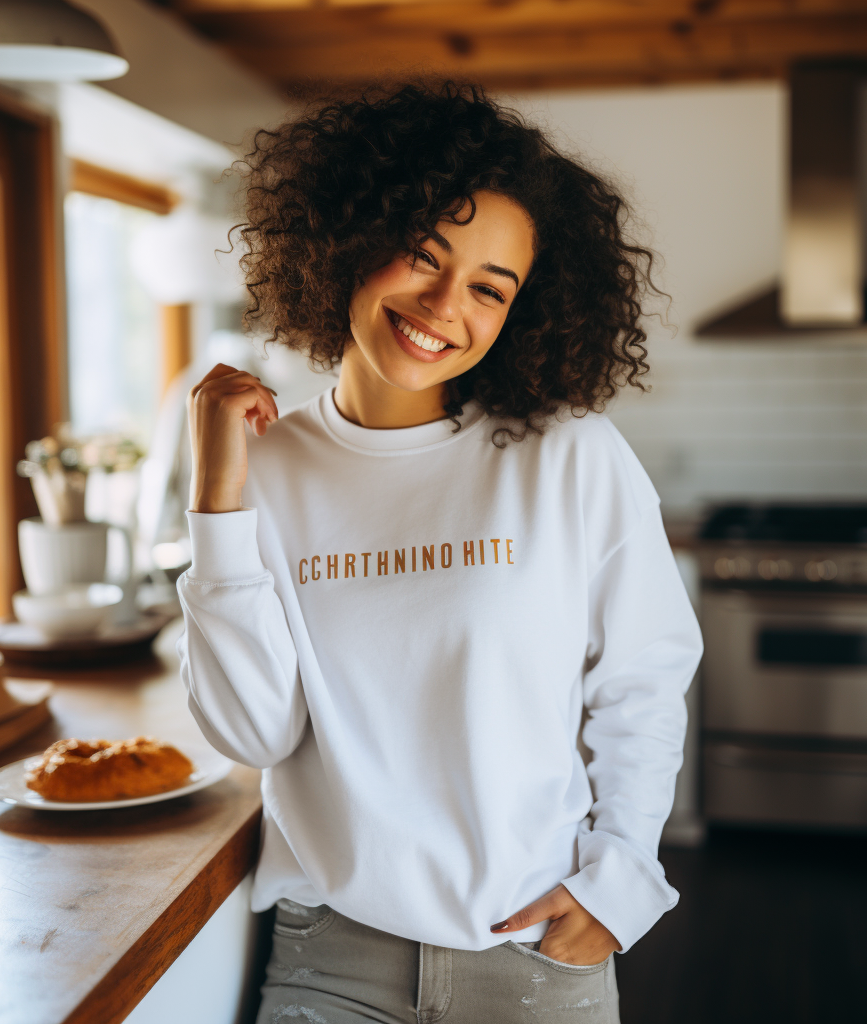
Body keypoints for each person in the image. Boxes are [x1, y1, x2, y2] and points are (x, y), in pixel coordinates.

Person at [177, 83, 703, 1024]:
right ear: (346, 237)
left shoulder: (568, 453)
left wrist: (618, 885)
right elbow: (254, 733)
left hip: (534, 956)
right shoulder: (267, 468)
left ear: (521, 313)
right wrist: (218, 497)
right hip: (327, 961)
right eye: (423, 256)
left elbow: (642, 682)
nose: (443, 306)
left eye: (490, 288)